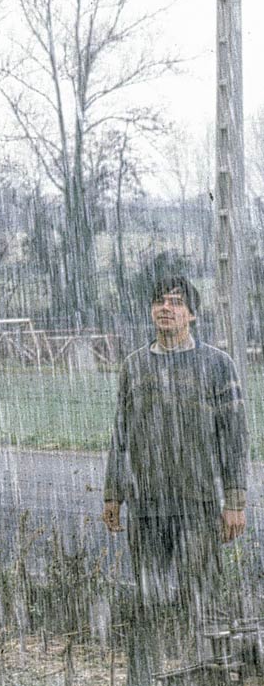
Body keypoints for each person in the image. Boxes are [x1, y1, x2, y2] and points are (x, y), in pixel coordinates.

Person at [103, 275, 248, 684]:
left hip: (197, 505)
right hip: (147, 507)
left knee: (202, 598)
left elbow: (235, 438)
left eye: (175, 302)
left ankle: (215, 674)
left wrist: (235, 502)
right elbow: (121, 435)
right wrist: (113, 494)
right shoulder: (135, 366)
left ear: (192, 314)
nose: (165, 308)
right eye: (159, 302)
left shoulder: (218, 366)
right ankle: (142, 678)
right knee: (146, 602)